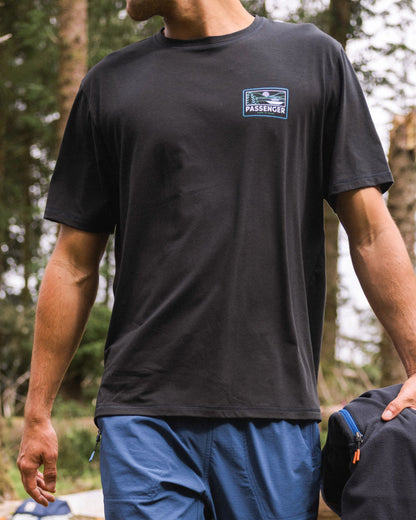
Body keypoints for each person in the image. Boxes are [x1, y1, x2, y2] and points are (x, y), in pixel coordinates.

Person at [17, 1, 416, 519]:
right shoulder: (109, 85)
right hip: (142, 414)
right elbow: (72, 263)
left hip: (272, 408)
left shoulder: (312, 60)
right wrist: (37, 412)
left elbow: (370, 232)